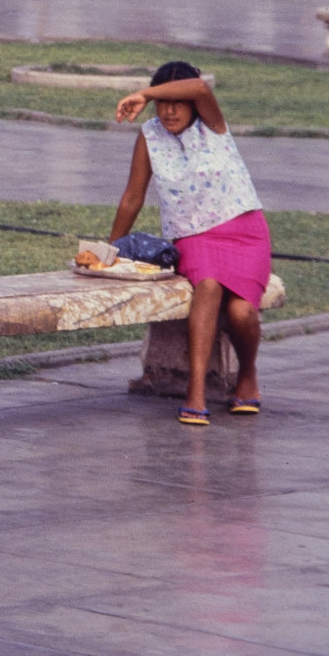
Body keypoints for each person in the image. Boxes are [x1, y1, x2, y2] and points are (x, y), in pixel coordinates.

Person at [110, 61, 270, 426]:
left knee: (242, 312)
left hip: (244, 231)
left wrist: (144, 93)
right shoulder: (149, 136)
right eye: (162, 103)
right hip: (195, 236)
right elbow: (133, 197)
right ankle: (195, 391)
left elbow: (199, 88)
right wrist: (111, 250)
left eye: (176, 102)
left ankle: (248, 375)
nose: (168, 110)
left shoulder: (213, 126)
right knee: (208, 286)